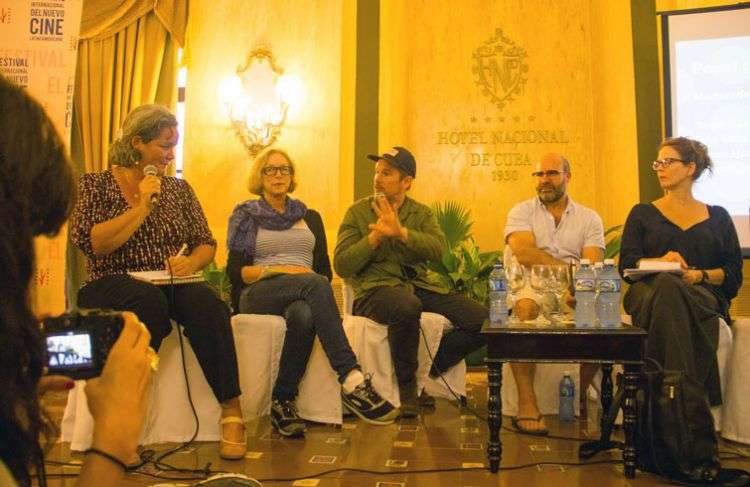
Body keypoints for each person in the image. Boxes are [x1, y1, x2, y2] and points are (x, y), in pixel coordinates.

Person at [0, 74, 154, 486]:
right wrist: (113, 440)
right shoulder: (97, 186)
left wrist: (14, 382)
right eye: (22, 235)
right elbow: (97, 244)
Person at [69, 105, 246, 459]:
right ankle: (122, 421)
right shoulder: (95, 184)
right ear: (137, 143)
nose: (170, 155)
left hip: (168, 280)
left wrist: (190, 261)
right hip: (110, 279)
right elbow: (95, 243)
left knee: (208, 304)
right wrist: (142, 208)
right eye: (163, 146)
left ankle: (232, 411)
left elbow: (205, 242)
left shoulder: (179, 190)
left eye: (174, 147)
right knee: (148, 303)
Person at [227, 148, 398, 437]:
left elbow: (324, 271)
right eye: (271, 169)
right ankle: (351, 377)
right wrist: (283, 270)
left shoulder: (310, 217)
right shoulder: (247, 216)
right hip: (257, 293)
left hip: (303, 294)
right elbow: (237, 273)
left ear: (292, 176)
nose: (278, 175)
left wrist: (302, 279)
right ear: (260, 176)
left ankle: (283, 401)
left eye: (284, 169)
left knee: (305, 315)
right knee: (314, 284)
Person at [333, 146, 487, 418]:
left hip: (418, 285)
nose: (378, 178)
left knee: (483, 320)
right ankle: (407, 392)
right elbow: (342, 264)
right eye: (377, 172)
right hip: (374, 290)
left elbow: (438, 249)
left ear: (407, 182)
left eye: (387, 173)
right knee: (406, 306)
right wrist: (374, 239)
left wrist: (402, 232)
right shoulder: (357, 212)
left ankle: (426, 372)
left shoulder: (421, 214)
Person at [619, 137, 742, 410]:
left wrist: (698, 275)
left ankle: (661, 396)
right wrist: (661, 262)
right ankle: (687, 401)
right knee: (665, 284)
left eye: (668, 161)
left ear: (690, 168)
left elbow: (733, 274)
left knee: (671, 292)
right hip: (647, 293)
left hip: (701, 294)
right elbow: (627, 266)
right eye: (658, 162)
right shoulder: (642, 213)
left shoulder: (718, 216)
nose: (660, 167)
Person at [503, 153, 604, 435]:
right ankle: (527, 401)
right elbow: (524, 254)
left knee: (600, 320)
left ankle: (578, 394)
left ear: (567, 177)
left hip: (574, 288)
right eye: (539, 175)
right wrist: (571, 270)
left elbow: (593, 262)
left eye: (551, 173)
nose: (544, 180)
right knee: (524, 308)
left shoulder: (589, 218)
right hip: (529, 283)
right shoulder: (521, 211)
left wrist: (577, 284)